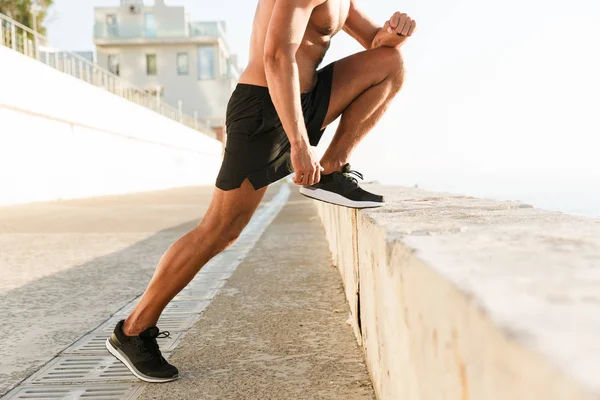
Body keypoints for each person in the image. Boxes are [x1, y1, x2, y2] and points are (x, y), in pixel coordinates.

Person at [105, 0, 416, 382]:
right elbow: (275, 56)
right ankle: (133, 330)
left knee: (390, 63)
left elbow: (375, 42)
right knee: (220, 230)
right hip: (264, 105)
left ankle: (332, 169)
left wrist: (394, 34)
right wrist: (299, 145)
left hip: (307, 97)